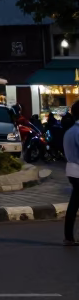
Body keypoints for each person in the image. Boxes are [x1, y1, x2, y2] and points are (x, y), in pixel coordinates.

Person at [62, 102, 79, 245]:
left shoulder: (70, 131)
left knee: (74, 203)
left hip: (71, 170)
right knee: (74, 204)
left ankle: (69, 237)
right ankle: (69, 237)